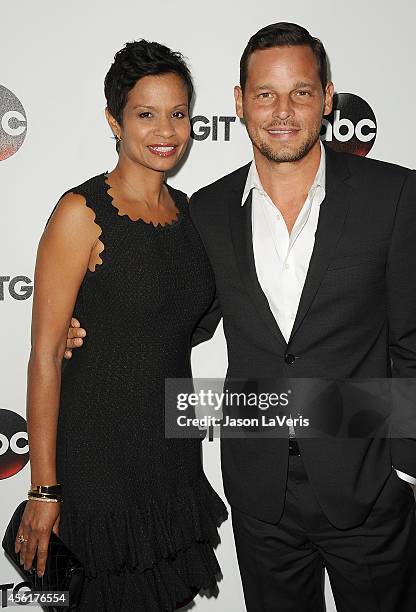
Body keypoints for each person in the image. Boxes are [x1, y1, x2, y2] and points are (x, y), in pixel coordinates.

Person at [66, 23, 416, 611]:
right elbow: (177, 319)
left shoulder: (395, 196)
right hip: (259, 494)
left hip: (368, 487)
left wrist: (402, 468)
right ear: (239, 102)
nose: (282, 111)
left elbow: (411, 341)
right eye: (264, 94)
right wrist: (91, 326)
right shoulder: (206, 210)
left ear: (328, 99)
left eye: (301, 92)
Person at [14, 40, 227, 612]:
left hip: (171, 455)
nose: (166, 130)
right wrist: (44, 488)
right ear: (115, 120)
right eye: (145, 113)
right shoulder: (80, 214)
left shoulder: (191, 215)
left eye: (178, 113)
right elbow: (43, 357)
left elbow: (185, 325)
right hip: (98, 459)